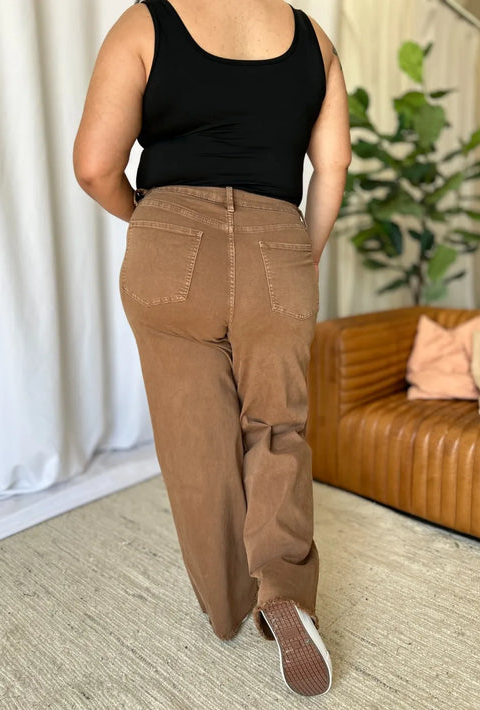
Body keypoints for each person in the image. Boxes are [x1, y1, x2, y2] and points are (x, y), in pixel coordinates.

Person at [73, 0, 351, 697]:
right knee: (277, 427)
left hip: (171, 239)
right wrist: (303, 256)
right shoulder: (313, 40)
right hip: (277, 243)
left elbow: (94, 165)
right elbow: (334, 165)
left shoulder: (145, 23)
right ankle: (285, 591)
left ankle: (230, 607)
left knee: (194, 439)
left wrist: (152, 222)